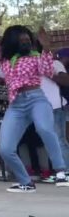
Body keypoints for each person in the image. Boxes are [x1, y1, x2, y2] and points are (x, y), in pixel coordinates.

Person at [0, 14, 69, 192]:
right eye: (22, 40)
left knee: (45, 129)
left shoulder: (36, 57)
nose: (26, 42)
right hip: (16, 105)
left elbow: (47, 70)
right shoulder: (4, 59)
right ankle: (26, 183)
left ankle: (62, 172)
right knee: (5, 148)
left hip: (37, 99)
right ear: (12, 42)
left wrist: (46, 48)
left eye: (27, 40)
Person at [39, 49, 69, 180]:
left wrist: (48, 73)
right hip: (41, 108)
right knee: (49, 142)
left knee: (59, 141)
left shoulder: (55, 63)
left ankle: (66, 172)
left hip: (55, 106)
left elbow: (66, 81)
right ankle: (60, 172)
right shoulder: (29, 65)